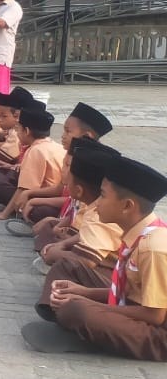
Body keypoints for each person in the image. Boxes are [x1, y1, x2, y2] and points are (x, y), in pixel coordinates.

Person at [28, 155, 167, 361]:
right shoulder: (137, 234)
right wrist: (84, 291)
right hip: (135, 307)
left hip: (159, 334)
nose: (96, 204)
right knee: (68, 273)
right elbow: (129, 292)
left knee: (78, 310)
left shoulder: (154, 248)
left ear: (127, 206)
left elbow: (155, 316)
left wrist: (87, 302)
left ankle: (87, 328)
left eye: (102, 196)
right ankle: (84, 325)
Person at [33, 139, 121, 275]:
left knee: (61, 271)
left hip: (108, 269)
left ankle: (51, 261)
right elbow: (81, 231)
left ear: (79, 190)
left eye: (68, 166)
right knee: (52, 228)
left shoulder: (101, 211)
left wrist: (58, 251)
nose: (64, 171)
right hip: (86, 242)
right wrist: (63, 244)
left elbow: (87, 259)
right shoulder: (93, 202)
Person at [18, 102, 114, 225]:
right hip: (70, 209)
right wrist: (30, 193)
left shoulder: (93, 164)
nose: (62, 136)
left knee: (39, 212)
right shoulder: (70, 154)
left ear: (86, 136)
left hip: (85, 219)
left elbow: (75, 201)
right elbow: (60, 189)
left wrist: (35, 200)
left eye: (68, 131)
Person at [0, 106, 65, 218]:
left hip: (41, 196)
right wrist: (10, 166)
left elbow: (24, 189)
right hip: (51, 194)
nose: (17, 133)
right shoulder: (56, 146)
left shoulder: (35, 150)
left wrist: (4, 214)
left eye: (18, 129)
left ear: (27, 131)